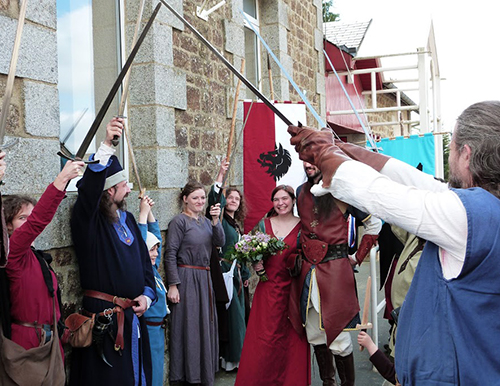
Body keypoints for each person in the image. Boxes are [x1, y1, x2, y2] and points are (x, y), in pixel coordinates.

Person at [287, 100, 500, 385]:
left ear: (466, 154)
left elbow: (378, 194)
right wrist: (343, 148)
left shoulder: (475, 215)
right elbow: (413, 181)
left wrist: (324, 151)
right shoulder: (483, 209)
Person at [70, 117, 157, 386]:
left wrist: (147, 295)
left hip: (131, 315)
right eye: (123, 186)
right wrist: (107, 144)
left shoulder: (129, 219)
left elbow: (145, 265)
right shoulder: (88, 221)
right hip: (104, 318)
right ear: (109, 191)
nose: (129, 189)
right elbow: (87, 192)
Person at [289, 161, 381, 386]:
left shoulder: (342, 190)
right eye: (305, 159)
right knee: (315, 334)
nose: (308, 164)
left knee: (339, 337)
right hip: (308, 274)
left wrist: (357, 257)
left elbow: (374, 224)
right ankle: (328, 383)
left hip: (334, 273)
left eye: (313, 159)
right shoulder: (301, 192)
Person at [3, 159, 83, 357]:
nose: (29, 222)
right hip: (25, 345)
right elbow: (38, 221)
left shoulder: (37, 258)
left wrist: (64, 333)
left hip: (52, 343)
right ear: (8, 225)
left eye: (31, 216)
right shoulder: (11, 252)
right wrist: (62, 179)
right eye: (23, 218)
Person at [236, 185, 311, 386]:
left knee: (291, 336)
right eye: (276, 200)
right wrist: (257, 266)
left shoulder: (303, 226)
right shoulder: (263, 225)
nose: (280, 203)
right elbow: (250, 253)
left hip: (293, 289)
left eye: (285, 199)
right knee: (264, 337)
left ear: (293, 201)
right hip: (267, 289)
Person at [165, 180, 225, 386]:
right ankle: (186, 375)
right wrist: (173, 284)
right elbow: (170, 253)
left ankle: (202, 373)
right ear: (185, 200)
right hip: (186, 279)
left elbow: (220, 242)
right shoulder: (179, 222)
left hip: (204, 279)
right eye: (195, 198)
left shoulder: (207, 222)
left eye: (202, 198)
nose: (200, 201)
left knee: (204, 326)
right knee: (188, 326)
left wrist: (216, 221)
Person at [207, 159, 249, 371]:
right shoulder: (221, 218)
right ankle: (230, 361)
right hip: (224, 273)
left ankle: (238, 358)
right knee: (232, 318)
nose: (234, 200)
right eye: (230, 197)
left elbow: (241, 252)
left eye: (237, 198)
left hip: (237, 274)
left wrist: (247, 272)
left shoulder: (236, 225)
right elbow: (214, 200)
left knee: (239, 317)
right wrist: (221, 175)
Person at [138, 195, 169, 386]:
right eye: (151, 250)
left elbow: (155, 237)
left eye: (156, 250)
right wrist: (141, 215)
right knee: (149, 372)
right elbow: (140, 249)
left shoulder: (153, 271)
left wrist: (149, 212)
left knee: (157, 371)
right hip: (147, 328)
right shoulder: (141, 271)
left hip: (158, 330)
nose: (155, 254)